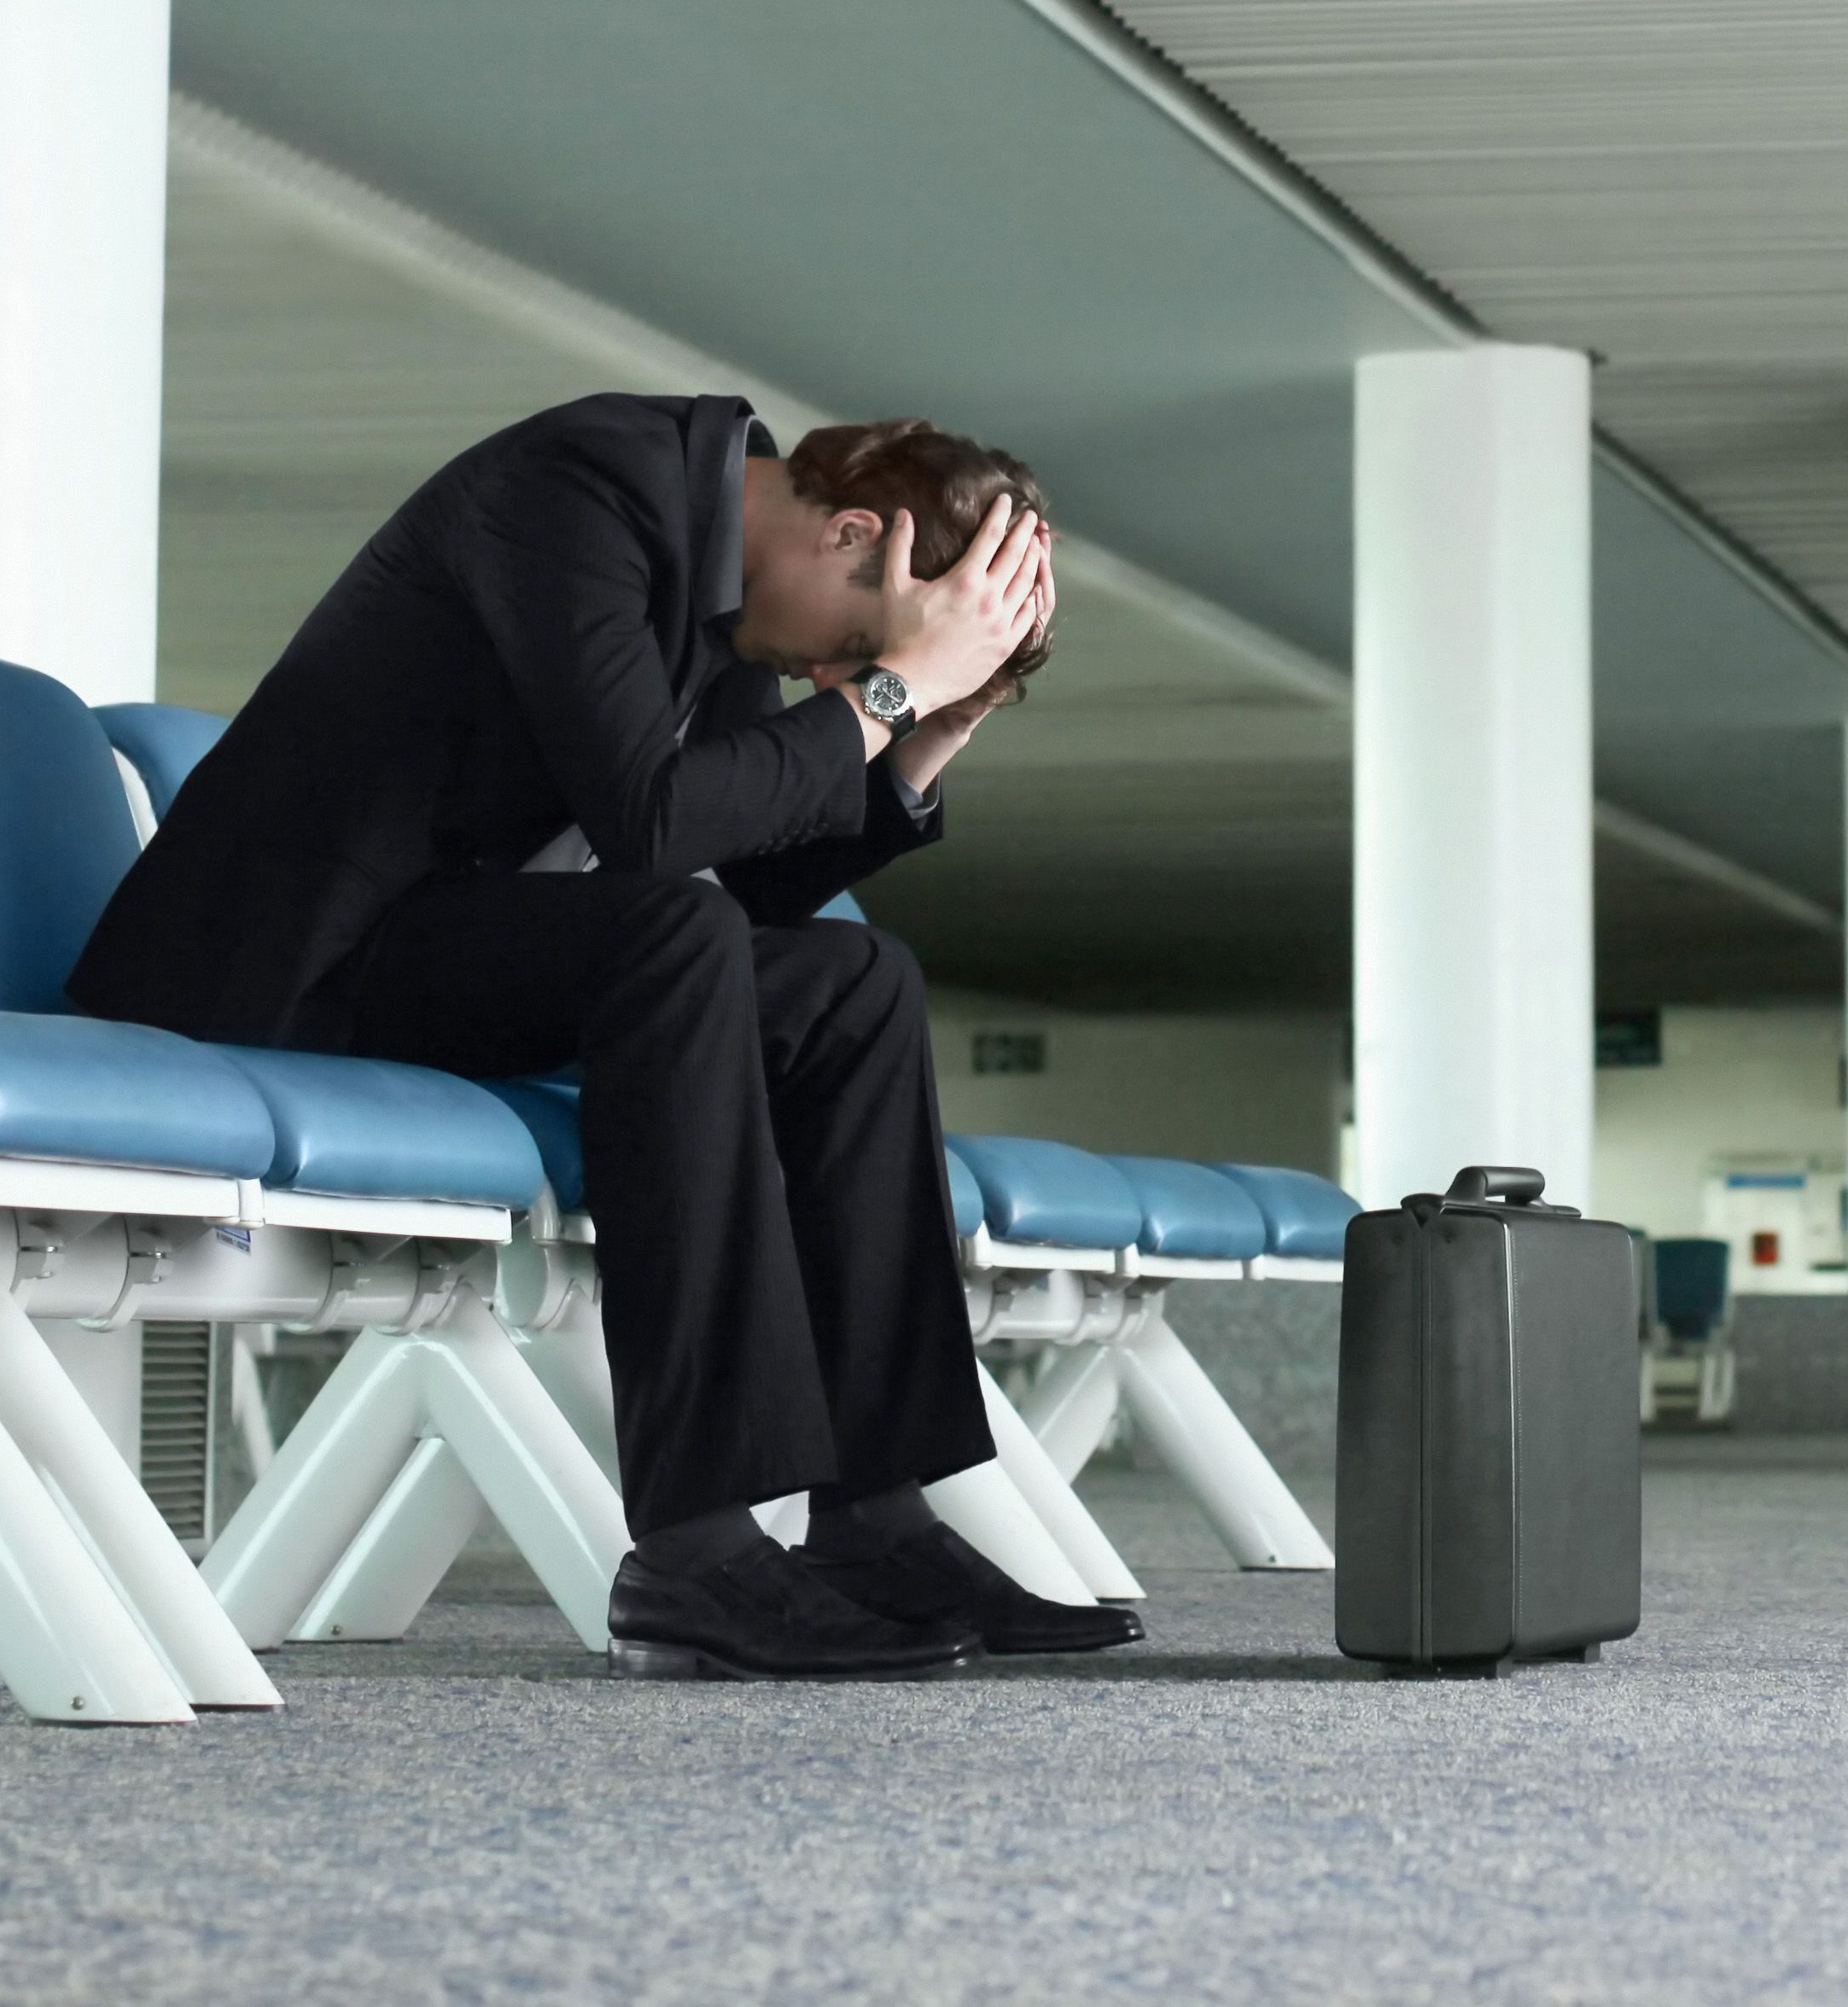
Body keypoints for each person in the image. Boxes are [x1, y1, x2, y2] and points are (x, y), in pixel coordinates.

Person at [72, 391, 1137, 1680]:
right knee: (666, 937)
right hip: (276, 969)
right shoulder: (577, 492)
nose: (828, 679)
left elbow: (744, 884)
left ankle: (876, 1521)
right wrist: (890, 689)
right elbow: (650, 824)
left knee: (846, 979)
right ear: (851, 532)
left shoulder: (746, 576)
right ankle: (698, 1556)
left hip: (446, 949)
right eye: (856, 639)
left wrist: (914, 744)